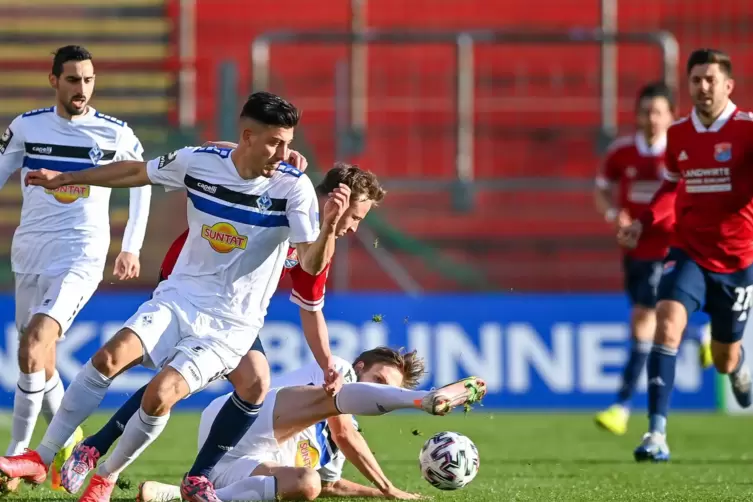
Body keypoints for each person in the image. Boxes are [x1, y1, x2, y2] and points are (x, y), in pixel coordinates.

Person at [0, 91, 350, 502]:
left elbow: (309, 263)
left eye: (289, 142)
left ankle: (106, 475)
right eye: (275, 141)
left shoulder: (295, 189)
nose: (284, 152)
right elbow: (135, 173)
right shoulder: (201, 163)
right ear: (248, 136)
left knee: (159, 395)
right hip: (179, 296)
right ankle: (42, 456)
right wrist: (68, 178)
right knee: (107, 358)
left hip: (231, 325)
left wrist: (328, 226)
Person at [61, 163, 386, 501]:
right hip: (189, 287)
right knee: (178, 382)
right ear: (340, 199)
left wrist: (326, 363)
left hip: (233, 313)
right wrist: (284, 162)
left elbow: (311, 306)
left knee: (249, 381)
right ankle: (105, 457)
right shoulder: (285, 190)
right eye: (357, 217)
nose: (355, 227)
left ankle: (168, 473)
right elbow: (244, 162)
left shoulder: (317, 243)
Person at [0, 45, 151, 490]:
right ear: (54, 81)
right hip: (30, 252)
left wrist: (131, 246)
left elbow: (142, 182)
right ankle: (68, 441)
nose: (81, 88)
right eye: (72, 80)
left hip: (82, 253)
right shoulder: (26, 127)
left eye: (88, 80)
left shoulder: (115, 132)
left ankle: (16, 458)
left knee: (35, 342)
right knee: (40, 358)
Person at [618, 48, 753, 462]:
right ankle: (655, 434)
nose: (703, 87)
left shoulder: (749, 130)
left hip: (736, 261)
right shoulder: (678, 134)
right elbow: (671, 187)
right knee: (668, 326)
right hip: (688, 251)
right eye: (696, 80)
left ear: (728, 85)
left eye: (711, 79)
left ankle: (738, 367)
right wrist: (643, 221)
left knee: (724, 358)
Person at [137, 347, 486, 502]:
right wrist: (387, 484)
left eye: (387, 391)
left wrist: (383, 495)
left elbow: (332, 485)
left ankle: (178, 495)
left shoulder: (335, 450)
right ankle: (423, 399)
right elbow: (344, 430)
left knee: (308, 483)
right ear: (362, 366)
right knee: (336, 398)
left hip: (232, 464)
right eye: (379, 380)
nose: (379, 390)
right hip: (237, 419)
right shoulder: (335, 369)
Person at [593, 82, 713, 436]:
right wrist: (614, 213)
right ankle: (699, 335)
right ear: (637, 115)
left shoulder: (679, 152)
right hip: (635, 250)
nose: (651, 119)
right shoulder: (622, 153)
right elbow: (601, 188)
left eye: (658, 112)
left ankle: (621, 406)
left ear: (671, 115)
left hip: (671, 247)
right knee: (649, 321)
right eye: (645, 112)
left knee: (645, 319)